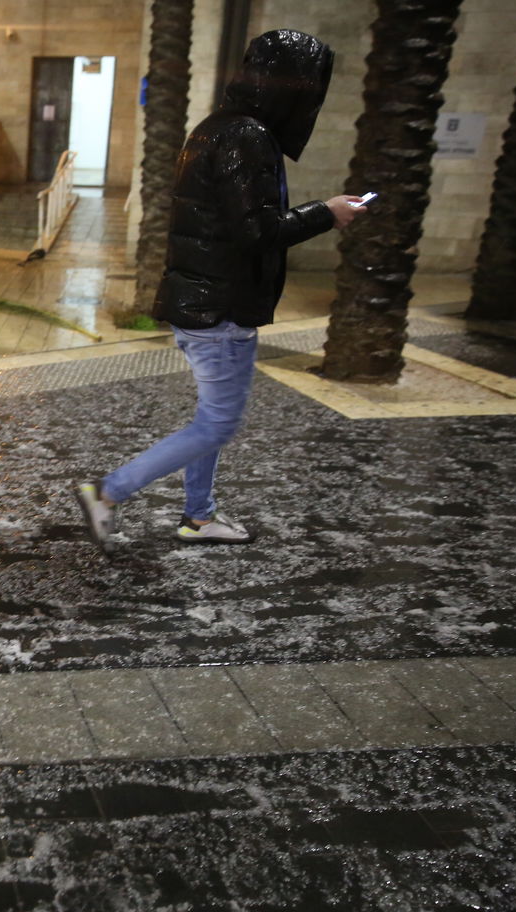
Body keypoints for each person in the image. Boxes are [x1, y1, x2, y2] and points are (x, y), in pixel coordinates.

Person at [73, 29, 366, 554]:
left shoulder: (219, 126)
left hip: (205, 303)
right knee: (217, 424)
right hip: (220, 309)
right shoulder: (247, 136)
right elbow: (257, 230)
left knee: (211, 420)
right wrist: (329, 212)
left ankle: (199, 518)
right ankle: (107, 493)